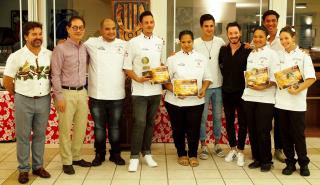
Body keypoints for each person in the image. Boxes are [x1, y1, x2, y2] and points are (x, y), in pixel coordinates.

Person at [3, 21, 51, 184]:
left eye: (39, 34)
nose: (38, 37)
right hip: (23, 100)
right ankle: (23, 169)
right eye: (33, 34)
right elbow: (7, 80)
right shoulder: (16, 56)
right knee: (23, 136)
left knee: (39, 135)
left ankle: (38, 167)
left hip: (44, 99)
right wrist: (18, 93)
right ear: (26, 36)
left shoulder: (49, 55)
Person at [123, 11, 164, 172]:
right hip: (139, 90)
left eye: (151, 22)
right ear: (140, 25)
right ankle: (134, 157)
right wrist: (138, 79)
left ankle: (147, 153)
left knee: (150, 123)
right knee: (139, 123)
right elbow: (127, 67)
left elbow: (159, 63)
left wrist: (162, 71)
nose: (149, 25)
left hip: (155, 90)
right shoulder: (133, 42)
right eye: (146, 22)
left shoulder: (159, 41)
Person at [164, 30, 212, 167]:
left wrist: (203, 89)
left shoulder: (201, 58)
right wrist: (177, 91)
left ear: (193, 42)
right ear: (180, 42)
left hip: (196, 102)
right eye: (183, 42)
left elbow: (207, 78)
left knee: (194, 129)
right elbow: (166, 81)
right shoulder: (172, 59)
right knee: (178, 129)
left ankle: (192, 154)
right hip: (175, 102)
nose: (186, 44)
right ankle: (181, 153)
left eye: (189, 42)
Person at [51, 16, 91, 175]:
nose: (78, 30)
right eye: (75, 27)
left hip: (82, 92)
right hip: (66, 93)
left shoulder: (85, 48)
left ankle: (76, 156)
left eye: (81, 27)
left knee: (81, 129)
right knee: (65, 130)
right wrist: (59, 97)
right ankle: (66, 161)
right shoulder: (60, 49)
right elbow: (55, 74)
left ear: (84, 29)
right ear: (68, 29)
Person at [275, 26, 316, 176]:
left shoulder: (303, 56)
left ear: (293, 38)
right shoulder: (278, 55)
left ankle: (303, 163)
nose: (284, 41)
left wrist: (297, 90)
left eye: (286, 38)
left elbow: (311, 78)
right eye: (281, 39)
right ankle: (290, 163)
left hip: (297, 104)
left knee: (298, 135)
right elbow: (275, 77)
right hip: (281, 102)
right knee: (284, 134)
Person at [84, 18, 126, 166]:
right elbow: (75, 47)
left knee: (115, 127)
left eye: (113, 28)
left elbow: (138, 58)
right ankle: (99, 155)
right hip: (97, 95)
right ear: (101, 30)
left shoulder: (124, 45)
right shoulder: (91, 43)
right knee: (99, 128)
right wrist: (62, 44)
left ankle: (115, 154)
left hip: (117, 95)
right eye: (107, 29)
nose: (111, 32)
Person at [242, 27, 279, 172]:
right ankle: (257, 158)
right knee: (252, 129)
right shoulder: (251, 54)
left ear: (266, 38)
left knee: (263, 130)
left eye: (261, 37)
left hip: (265, 98)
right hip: (249, 96)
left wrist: (264, 86)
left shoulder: (272, 54)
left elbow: (275, 77)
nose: (257, 39)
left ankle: (266, 160)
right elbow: (249, 75)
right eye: (255, 36)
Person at [219, 22, 251, 167]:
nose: (233, 36)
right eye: (230, 33)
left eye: (235, 33)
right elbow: (221, 68)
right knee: (229, 122)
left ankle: (240, 151)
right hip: (227, 92)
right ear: (227, 34)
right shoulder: (223, 50)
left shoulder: (247, 50)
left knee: (243, 123)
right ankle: (232, 148)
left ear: (240, 33)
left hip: (243, 93)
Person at [193, 14, 225, 159]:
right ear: (201, 27)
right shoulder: (195, 43)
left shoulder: (220, 42)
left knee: (218, 117)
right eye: (206, 26)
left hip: (218, 85)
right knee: (202, 118)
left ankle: (217, 144)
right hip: (202, 87)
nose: (209, 29)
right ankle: (204, 145)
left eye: (211, 26)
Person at [262, 10, 286, 163]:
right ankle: (264, 151)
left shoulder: (283, 39)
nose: (270, 23)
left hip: (280, 87)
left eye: (273, 20)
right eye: (268, 21)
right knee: (265, 122)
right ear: (264, 22)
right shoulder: (260, 40)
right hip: (264, 88)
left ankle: (279, 149)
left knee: (280, 121)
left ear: (277, 21)